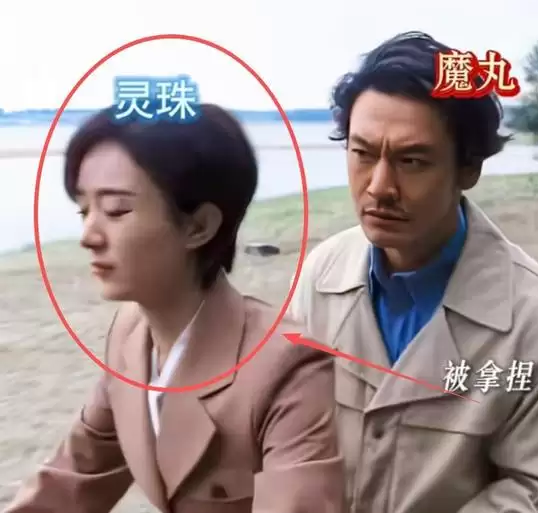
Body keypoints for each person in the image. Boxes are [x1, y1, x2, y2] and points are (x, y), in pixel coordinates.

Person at [288, 31, 538, 513]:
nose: (379, 187)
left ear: (468, 169)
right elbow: (288, 434)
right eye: (362, 153)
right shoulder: (320, 277)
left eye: (412, 161)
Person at [5, 104, 346, 513]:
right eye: (84, 210)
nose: (88, 236)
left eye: (115, 211)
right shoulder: (130, 336)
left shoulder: (290, 367)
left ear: (198, 226)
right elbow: (73, 478)